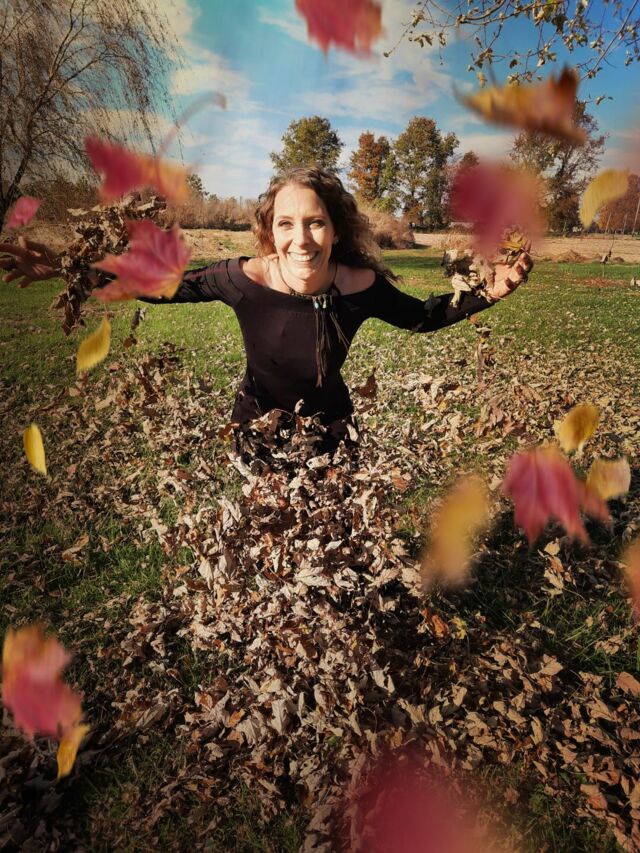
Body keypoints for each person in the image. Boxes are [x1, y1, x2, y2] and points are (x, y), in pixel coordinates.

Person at [0, 166, 532, 449]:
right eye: (285, 224)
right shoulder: (244, 279)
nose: (301, 239)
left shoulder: (360, 285)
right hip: (257, 430)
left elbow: (423, 317)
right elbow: (164, 284)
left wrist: (489, 292)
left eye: (316, 222)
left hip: (332, 435)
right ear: (270, 232)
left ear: (336, 230)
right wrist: (72, 268)